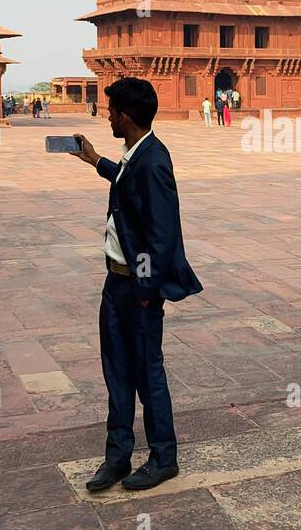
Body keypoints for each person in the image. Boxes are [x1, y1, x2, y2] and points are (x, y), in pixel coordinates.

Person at [69, 77, 202, 493]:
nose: (107, 116)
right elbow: (126, 180)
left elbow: (162, 235)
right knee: (117, 372)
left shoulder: (154, 161)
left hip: (137, 290)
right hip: (116, 284)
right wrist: (95, 161)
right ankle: (118, 456)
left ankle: (164, 458)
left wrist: (146, 292)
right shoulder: (136, 153)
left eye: (110, 111)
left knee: (147, 373)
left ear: (124, 116)